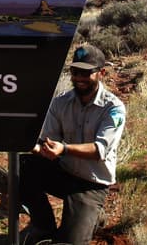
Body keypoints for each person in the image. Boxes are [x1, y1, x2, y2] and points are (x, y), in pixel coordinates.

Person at [20, 44, 126, 244]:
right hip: (63, 171)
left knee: (69, 242)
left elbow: (100, 150)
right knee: (22, 166)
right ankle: (43, 227)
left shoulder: (114, 108)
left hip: (92, 183)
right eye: (75, 71)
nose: (79, 77)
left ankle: (93, 216)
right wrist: (34, 146)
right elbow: (49, 141)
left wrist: (64, 149)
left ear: (101, 72)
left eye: (86, 72)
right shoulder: (60, 103)